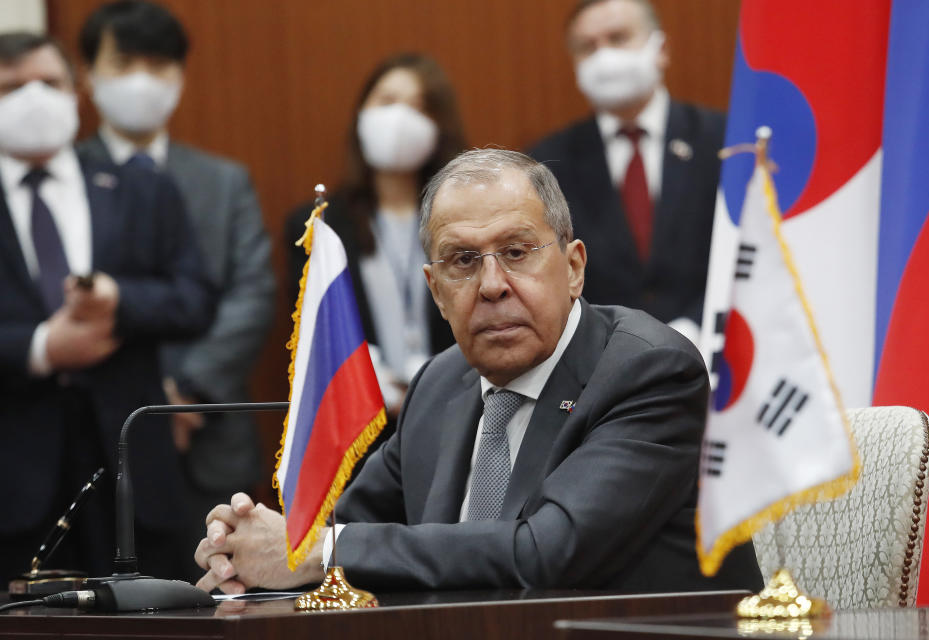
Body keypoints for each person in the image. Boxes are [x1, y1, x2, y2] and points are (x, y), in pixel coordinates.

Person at [195, 149, 762, 593]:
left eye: (517, 252)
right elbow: (344, 526)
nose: (492, 285)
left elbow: (549, 552)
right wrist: (245, 550)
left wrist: (318, 552)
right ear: (436, 292)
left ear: (573, 268)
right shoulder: (443, 383)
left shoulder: (649, 371)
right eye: (463, 261)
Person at [0, 32, 215, 580]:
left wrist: (119, 301)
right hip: (14, 479)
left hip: (129, 466)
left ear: (77, 92)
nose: (32, 99)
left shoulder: (140, 187)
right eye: (10, 87)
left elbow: (193, 298)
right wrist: (42, 348)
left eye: (48, 83)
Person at [74, 0, 275, 558]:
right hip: (95, 435)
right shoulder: (64, 177)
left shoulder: (224, 181)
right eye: (124, 63)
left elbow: (252, 293)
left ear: (181, 77)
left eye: (158, 65)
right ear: (87, 75)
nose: (142, 80)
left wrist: (185, 394)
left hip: (209, 433)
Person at [528, 0, 724, 344]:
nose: (604, 57)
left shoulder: (721, 142)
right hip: (603, 364)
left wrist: (693, 329)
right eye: (588, 47)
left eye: (618, 39)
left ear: (660, 49)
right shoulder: (547, 164)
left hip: (719, 357)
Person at [284, 53, 464, 418]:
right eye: (387, 101)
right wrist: (366, 377)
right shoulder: (317, 225)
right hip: (358, 422)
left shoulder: (465, 219)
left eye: (418, 107)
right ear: (361, 114)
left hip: (456, 412)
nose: (399, 118)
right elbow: (315, 331)